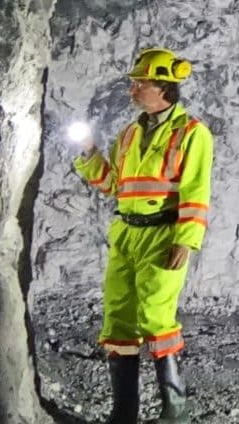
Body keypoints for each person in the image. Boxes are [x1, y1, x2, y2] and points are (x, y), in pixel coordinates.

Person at [72, 47, 214, 423]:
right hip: (126, 234)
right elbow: (114, 186)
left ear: (164, 87)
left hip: (163, 236)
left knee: (155, 316)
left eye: (140, 83)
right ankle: (124, 414)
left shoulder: (192, 133)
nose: (133, 90)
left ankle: (176, 408)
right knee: (118, 319)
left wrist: (186, 238)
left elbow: (196, 189)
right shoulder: (129, 134)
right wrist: (89, 154)